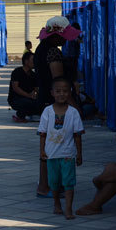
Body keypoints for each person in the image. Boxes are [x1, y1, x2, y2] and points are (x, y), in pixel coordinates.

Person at [33, 16, 81, 196]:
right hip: (54, 105)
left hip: (45, 102)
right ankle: (46, 185)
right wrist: (73, 106)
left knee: (49, 143)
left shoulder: (41, 49)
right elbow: (59, 83)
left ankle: (47, 183)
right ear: (56, 36)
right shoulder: (53, 52)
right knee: (53, 146)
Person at [38, 78, 83, 219]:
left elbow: (77, 135)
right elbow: (42, 134)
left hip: (68, 154)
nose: (61, 94)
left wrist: (79, 154)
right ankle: (57, 204)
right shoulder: (47, 111)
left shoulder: (73, 113)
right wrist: (42, 151)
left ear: (70, 93)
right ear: (52, 93)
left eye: (65, 91)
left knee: (69, 183)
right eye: (58, 91)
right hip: (51, 154)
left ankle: (68, 208)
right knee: (54, 183)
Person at [9, 51, 39, 122]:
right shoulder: (17, 72)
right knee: (26, 102)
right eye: (33, 60)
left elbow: (36, 89)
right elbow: (16, 88)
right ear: (26, 61)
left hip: (29, 98)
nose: (34, 62)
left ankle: (30, 113)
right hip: (15, 99)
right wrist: (28, 95)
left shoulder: (33, 75)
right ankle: (20, 115)